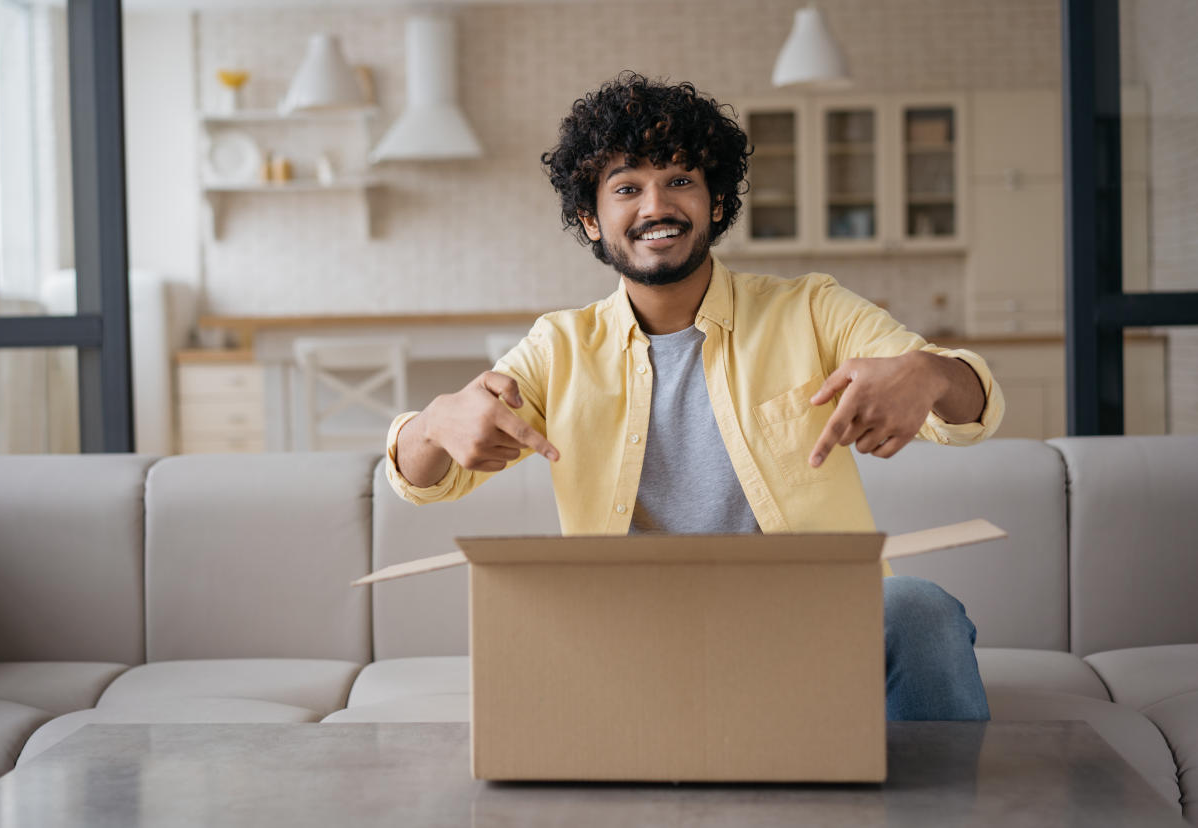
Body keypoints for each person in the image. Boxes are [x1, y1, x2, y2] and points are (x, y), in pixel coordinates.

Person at [387, 72, 1005, 721]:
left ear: (714, 204)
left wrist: (929, 373)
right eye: (628, 188)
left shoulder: (812, 309)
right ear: (591, 220)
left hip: (814, 627)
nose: (657, 206)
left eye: (680, 180)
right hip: (636, 643)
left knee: (921, 607)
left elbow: (970, 411)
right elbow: (423, 480)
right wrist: (434, 423)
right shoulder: (559, 348)